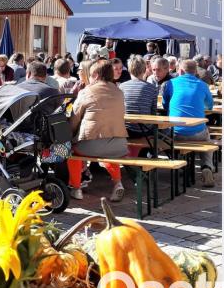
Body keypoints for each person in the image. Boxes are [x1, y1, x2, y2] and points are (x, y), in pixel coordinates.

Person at [66, 60, 128, 202]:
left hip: (91, 145)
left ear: (94, 74)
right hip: (119, 145)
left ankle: (76, 188)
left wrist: (70, 134)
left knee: (71, 151)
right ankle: (117, 183)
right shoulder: (119, 92)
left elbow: (74, 119)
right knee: (109, 147)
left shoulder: (86, 92)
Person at [162, 59, 216, 187]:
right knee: (207, 139)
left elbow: (165, 105)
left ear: (180, 71)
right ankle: (207, 167)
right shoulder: (203, 85)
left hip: (175, 133)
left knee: (161, 137)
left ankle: (180, 163)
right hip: (197, 133)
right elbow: (210, 106)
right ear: (195, 71)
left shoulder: (170, 83)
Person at [119, 56, 159, 140]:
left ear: (129, 70)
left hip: (126, 129)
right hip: (145, 130)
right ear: (144, 70)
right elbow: (153, 112)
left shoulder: (122, 86)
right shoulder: (152, 88)